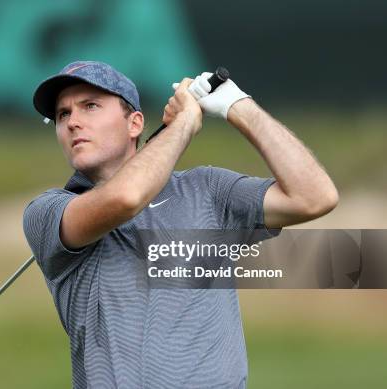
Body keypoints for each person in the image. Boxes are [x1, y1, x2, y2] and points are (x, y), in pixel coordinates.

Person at [23, 61, 338, 388]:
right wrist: (184, 124)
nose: (73, 122)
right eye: (62, 114)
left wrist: (239, 106)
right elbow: (127, 197)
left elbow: (314, 196)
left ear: (134, 124)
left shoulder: (208, 191)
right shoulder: (47, 212)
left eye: (90, 106)